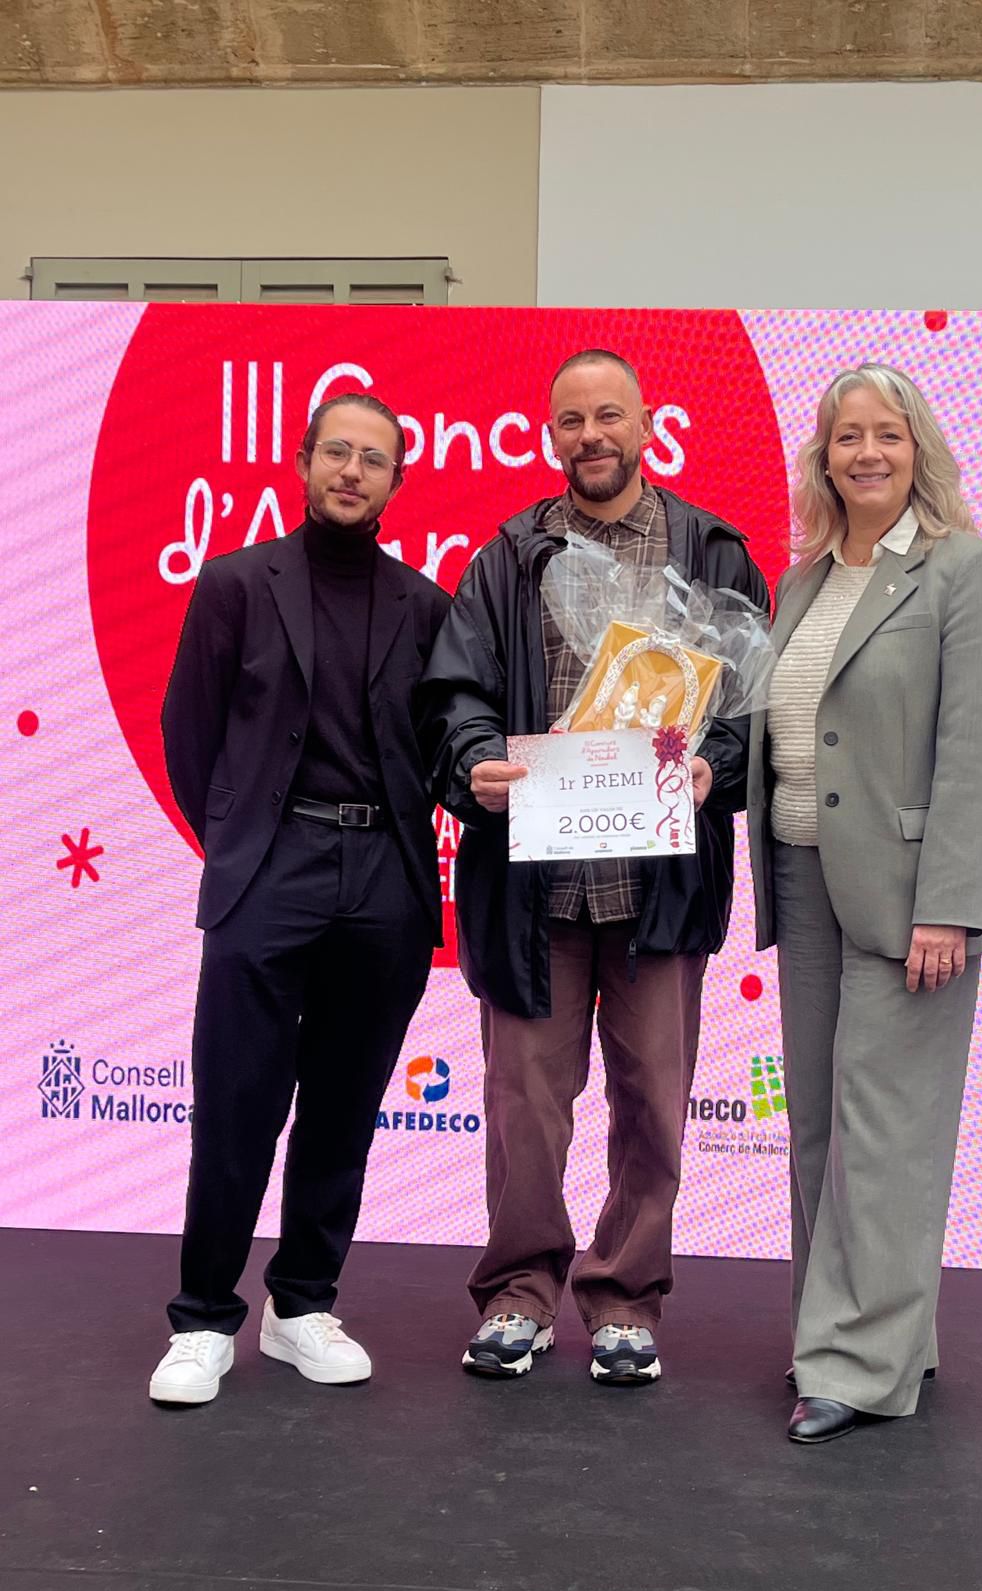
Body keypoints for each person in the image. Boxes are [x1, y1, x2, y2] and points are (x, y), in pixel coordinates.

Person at [420, 349, 769, 1384]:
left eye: (609, 415)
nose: (591, 436)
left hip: (659, 886)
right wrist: (473, 761)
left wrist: (713, 767)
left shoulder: (712, 552)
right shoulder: (508, 557)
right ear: (551, 435)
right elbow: (456, 693)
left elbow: (760, 711)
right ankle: (519, 1293)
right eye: (571, 421)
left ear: (648, 424)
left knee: (655, 1102)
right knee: (525, 1106)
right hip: (536, 890)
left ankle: (624, 1297)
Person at [150, 392, 450, 1405]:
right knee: (237, 1102)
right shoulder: (235, 583)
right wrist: (240, 842)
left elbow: (440, 748)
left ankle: (302, 1305)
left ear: (397, 481)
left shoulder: (426, 608)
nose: (352, 470)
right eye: (337, 452)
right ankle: (202, 1320)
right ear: (304, 460)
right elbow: (189, 733)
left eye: (374, 458)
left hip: (386, 879)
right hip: (269, 869)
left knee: (343, 1106)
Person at [747, 363, 982, 1443]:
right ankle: (853, 1333)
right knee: (821, 1127)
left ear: (919, 451)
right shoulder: (801, 584)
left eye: (887, 434)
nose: (866, 452)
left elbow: (979, 751)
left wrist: (950, 902)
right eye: (846, 436)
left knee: (887, 1130)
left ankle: (860, 1365)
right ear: (822, 457)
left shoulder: (967, 572)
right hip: (803, 878)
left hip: (910, 895)